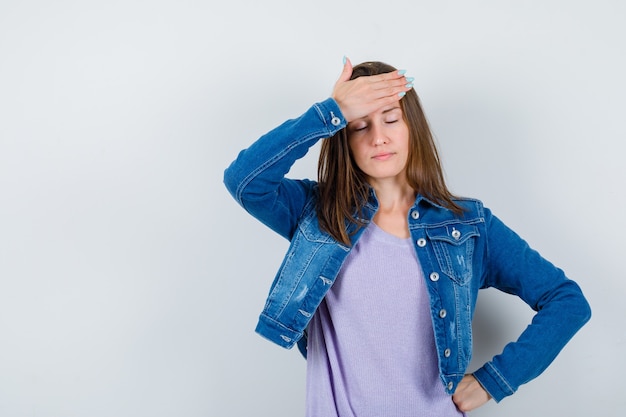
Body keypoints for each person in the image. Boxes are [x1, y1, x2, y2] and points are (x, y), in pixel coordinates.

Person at [223, 58, 591, 416]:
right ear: (344, 138)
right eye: (359, 126)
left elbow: (566, 301)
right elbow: (244, 181)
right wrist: (332, 111)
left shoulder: (467, 226)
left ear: (411, 126)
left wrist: (493, 381)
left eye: (391, 119)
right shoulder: (317, 213)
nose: (379, 137)